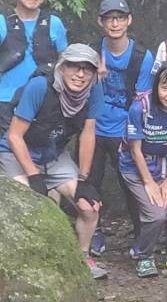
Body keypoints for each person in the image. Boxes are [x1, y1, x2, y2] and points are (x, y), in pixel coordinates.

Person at [0, 44, 106, 279]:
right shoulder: (40, 86)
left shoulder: (94, 89)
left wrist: (84, 178)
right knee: (34, 205)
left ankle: (83, 258)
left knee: (90, 207)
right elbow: (14, 136)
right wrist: (34, 176)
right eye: (75, 67)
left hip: (54, 154)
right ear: (62, 67)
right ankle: (31, 263)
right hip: (17, 153)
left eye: (87, 69)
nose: (81, 75)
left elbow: (88, 133)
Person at [88, 0, 154, 257]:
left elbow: (142, 100)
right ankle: (93, 231)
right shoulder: (92, 52)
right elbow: (75, 89)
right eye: (109, 19)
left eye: (119, 18)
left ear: (129, 20)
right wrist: (96, 79)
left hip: (124, 130)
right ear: (100, 22)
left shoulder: (141, 56)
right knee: (91, 180)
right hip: (93, 126)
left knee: (130, 184)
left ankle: (140, 236)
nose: (114, 23)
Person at [119, 61, 167, 278]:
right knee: (155, 215)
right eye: (165, 88)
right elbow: (134, 149)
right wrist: (149, 183)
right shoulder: (140, 108)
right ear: (156, 87)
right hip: (137, 167)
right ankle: (144, 256)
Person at [0, 0, 67, 132]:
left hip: (43, 101)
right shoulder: (2, 22)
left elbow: (64, 61)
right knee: (8, 146)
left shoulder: (54, 23)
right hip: (6, 101)